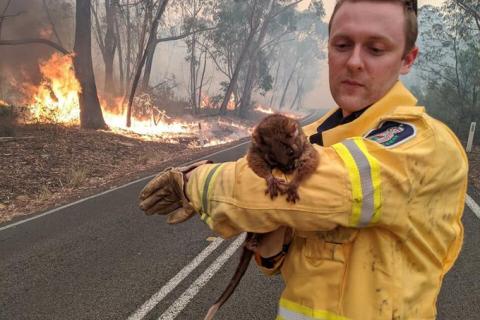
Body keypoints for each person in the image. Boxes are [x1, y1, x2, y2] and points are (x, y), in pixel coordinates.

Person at [139, 0, 469, 319]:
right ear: (327, 50)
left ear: (407, 59)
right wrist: (273, 243)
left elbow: (323, 189)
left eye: (376, 49)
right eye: (342, 45)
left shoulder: (423, 145)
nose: (354, 61)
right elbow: (278, 254)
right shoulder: (309, 135)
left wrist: (193, 181)